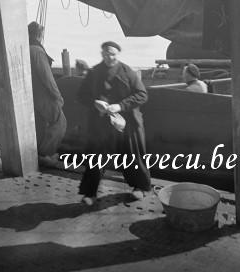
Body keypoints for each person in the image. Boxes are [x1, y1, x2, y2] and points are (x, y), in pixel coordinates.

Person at [77, 41, 151, 206]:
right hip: (101, 122)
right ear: (102, 54)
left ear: (118, 54)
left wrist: (121, 105)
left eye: (113, 54)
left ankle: (140, 187)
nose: (109, 57)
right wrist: (95, 102)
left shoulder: (128, 72)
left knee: (132, 155)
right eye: (106, 54)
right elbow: (81, 95)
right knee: (95, 158)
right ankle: (90, 193)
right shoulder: (94, 72)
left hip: (127, 122)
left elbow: (142, 94)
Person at [28, 21, 67, 167]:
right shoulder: (37, 51)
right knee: (60, 122)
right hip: (42, 95)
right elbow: (48, 78)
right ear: (40, 35)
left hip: (30, 96)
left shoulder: (26, 47)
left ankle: (36, 153)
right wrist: (58, 97)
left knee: (39, 126)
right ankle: (44, 155)